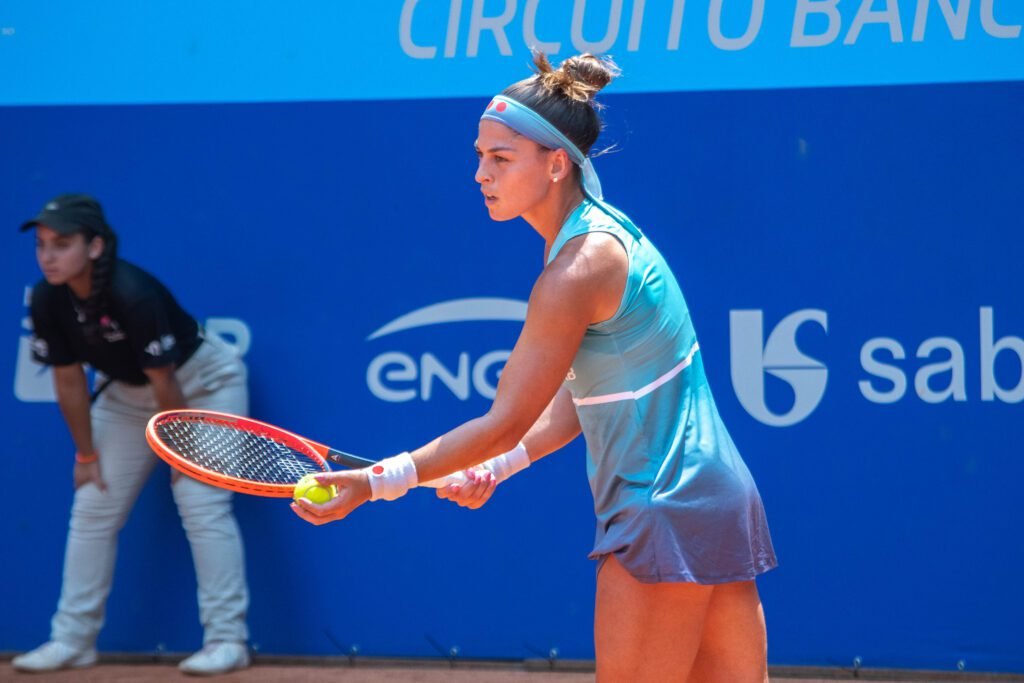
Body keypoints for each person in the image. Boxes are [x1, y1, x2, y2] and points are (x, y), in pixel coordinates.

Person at [292, 53, 777, 682]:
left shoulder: (575, 270)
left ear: (555, 163)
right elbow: (582, 399)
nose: (480, 174)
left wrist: (376, 482)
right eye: (479, 155)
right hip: (715, 498)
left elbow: (504, 420)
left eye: (500, 158)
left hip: (660, 507)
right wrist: (498, 465)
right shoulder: (598, 240)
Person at [13, 194, 252, 676]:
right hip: (125, 397)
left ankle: (229, 640)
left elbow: (166, 382)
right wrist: (86, 454)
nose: (48, 256)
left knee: (202, 505)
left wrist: (180, 453)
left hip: (202, 388)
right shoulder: (45, 298)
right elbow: (66, 379)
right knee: (92, 505)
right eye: (41, 245)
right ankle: (72, 639)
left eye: (62, 244)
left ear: (96, 246)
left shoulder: (133, 292)